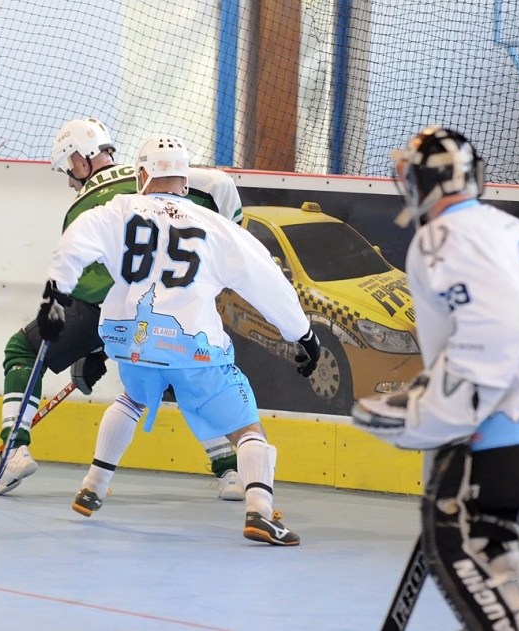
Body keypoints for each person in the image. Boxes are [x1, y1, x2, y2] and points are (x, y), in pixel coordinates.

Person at [351, 126, 519, 629]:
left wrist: (431, 414)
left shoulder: (439, 238)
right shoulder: (507, 227)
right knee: (493, 539)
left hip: (518, 413)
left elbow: (491, 329)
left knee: (462, 538)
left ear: (422, 183)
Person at [35, 135, 320, 546]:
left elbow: (73, 245)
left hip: (131, 342)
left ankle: (92, 487)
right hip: (193, 345)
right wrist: (302, 334)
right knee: (247, 429)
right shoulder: (216, 226)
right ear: (185, 182)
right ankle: (260, 512)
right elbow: (266, 280)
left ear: (142, 175)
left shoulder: (116, 210)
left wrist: (54, 298)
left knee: (132, 400)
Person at [0, 118, 248, 501]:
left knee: (22, 350)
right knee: (181, 374)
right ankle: (231, 471)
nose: (70, 182)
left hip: (108, 311)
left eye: (69, 170)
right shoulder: (158, 178)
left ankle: (14, 451)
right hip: (167, 307)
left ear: (81, 160)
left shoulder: (81, 209)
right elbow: (221, 185)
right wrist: (234, 239)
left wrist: (96, 345)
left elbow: (90, 290)